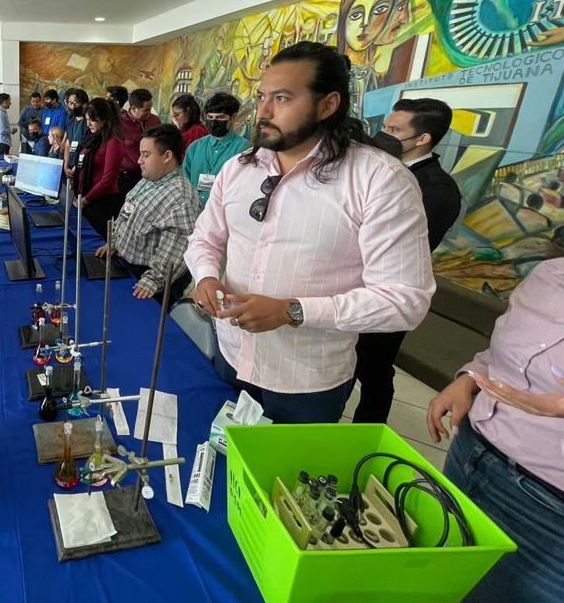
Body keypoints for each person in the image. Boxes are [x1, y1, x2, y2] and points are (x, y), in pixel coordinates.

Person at [185, 41, 435, 424]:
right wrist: (204, 276)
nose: (263, 112)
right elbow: (205, 237)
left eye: (282, 98)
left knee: (281, 480)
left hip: (304, 380)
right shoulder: (239, 168)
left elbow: (405, 300)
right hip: (231, 354)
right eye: (262, 97)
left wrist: (293, 311)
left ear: (328, 104)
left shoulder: (378, 180)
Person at [427, 258, 564, 603]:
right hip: (472, 455)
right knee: (435, 582)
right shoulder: (550, 274)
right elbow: (506, 358)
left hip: (547, 507)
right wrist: (470, 378)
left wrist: (556, 407)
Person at [352, 97, 462, 423]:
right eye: (385, 127)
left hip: (387, 293)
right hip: (348, 287)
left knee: (373, 370)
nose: (384, 135)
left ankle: (365, 433)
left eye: (394, 130)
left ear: (423, 138)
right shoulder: (374, 169)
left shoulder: (437, 189)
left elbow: (407, 249)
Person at [94, 124, 199, 305]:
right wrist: (114, 243)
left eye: (146, 154)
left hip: (149, 281)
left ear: (167, 156)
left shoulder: (181, 198)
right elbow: (128, 213)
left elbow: (175, 252)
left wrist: (152, 281)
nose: (139, 160)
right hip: (125, 263)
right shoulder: (149, 179)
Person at [182, 92, 251, 208]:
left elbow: (245, 187)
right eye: (210, 117)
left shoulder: (245, 149)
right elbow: (185, 180)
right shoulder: (195, 147)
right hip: (194, 211)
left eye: (220, 117)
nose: (214, 122)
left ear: (233, 117)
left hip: (224, 213)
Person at [72, 97, 125, 239]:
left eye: (92, 120)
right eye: (87, 119)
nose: (88, 124)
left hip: (102, 203)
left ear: (105, 119)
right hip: (86, 199)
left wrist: (85, 200)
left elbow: (108, 179)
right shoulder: (91, 137)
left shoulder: (113, 142)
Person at [118, 88, 161, 195]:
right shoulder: (120, 124)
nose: (149, 113)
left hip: (152, 177)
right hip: (128, 178)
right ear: (133, 108)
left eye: (150, 109)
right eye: (146, 110)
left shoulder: (155, 120)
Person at [63, 88, 89, 178]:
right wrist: (65, 166)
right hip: (70, 163)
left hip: (83, 166)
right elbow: (68, 143)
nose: (73, 106)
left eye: (76, 103)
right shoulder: (70, 118)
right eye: (70, 103)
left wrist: (76, 167)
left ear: (85, 104)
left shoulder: (89, 121)